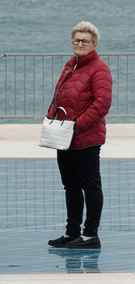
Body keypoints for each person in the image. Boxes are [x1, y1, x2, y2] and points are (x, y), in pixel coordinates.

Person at [47, 21, 112, 250]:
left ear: (94, 44)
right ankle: (72, 232)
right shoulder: (71, 66)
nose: (80, 44)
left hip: (86, 138)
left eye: (85, 40)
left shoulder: (99, 68)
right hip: (64, 137)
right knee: (71, 186)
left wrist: (77, 125)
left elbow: (102, 103)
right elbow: (60, 95)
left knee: (90, 186)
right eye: (77, 40)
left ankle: (90, 235)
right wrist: (51, 118)